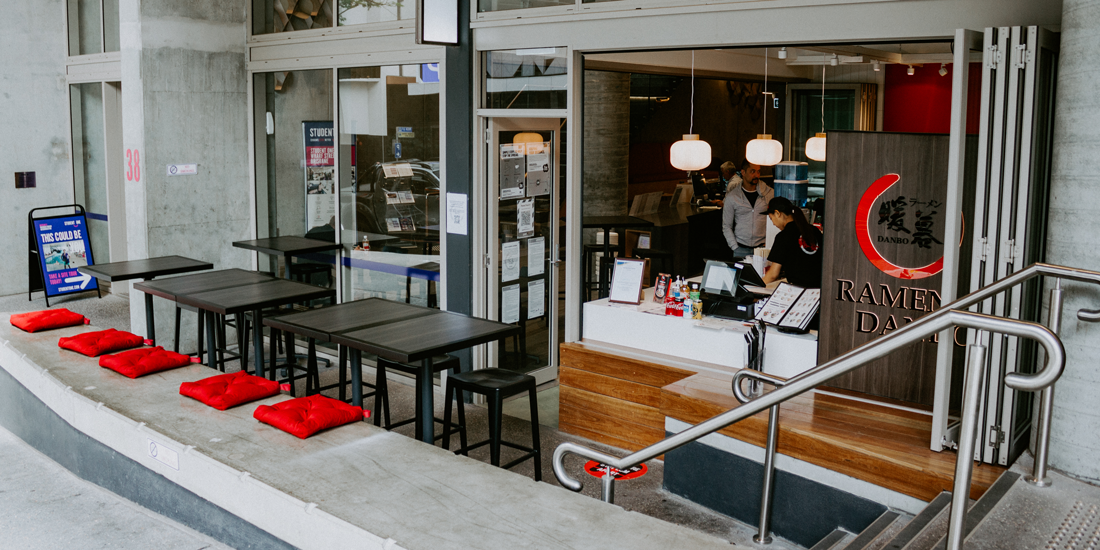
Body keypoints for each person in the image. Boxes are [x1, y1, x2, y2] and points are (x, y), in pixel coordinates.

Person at [761, 196, 822, 289]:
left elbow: (773, 274)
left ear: (778, 213)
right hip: (819, 289)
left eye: (771, 218)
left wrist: (755, 286)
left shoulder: (783, 236)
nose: (773, 223)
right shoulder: (815, 230)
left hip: (798, 290)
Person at [721, 160, 773, 259]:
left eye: (758, 171)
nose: (756, 175)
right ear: (743, 173)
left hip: (763, 248)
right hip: (741, 248)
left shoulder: (769, 194)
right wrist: (734, 247)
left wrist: (769, 242)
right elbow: (726, 225)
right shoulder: (733, 197)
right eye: (752, 171)